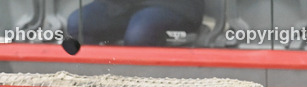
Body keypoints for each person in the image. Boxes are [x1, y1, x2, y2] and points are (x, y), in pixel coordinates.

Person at [67, 0, 205, 47]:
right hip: (121, 5)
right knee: (78, 22)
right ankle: (96, 83)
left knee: (139, 33)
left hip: (170, 4)